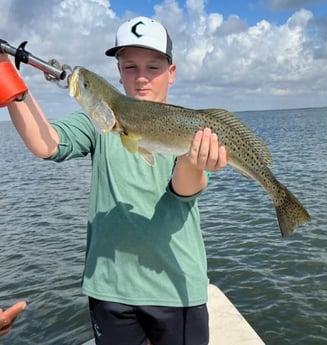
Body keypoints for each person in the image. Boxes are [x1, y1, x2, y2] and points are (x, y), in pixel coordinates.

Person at [1, 16, 227, 345]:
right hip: (110, 289)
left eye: (153, 67)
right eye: (130, 67)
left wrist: (194, 163)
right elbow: (46, 144)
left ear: (171, 73)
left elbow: (183, 191)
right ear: (118, 72)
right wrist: (6, 73)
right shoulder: (98, 122)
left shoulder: (188, 127)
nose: (141, 78)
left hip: (177, 288)